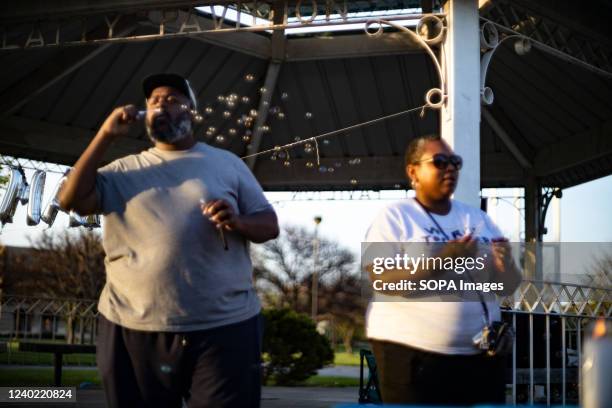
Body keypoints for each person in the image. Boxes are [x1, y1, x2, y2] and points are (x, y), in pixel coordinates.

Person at [58, 73, 279, 408]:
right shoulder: (122, 170)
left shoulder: (226, 163)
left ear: (191, 112)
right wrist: (105, 136)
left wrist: (238, 221)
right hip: (131, 325)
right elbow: (70, 199)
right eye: (154, 99)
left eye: (173, 98)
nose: (161, 102)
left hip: (225, 325)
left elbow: (269, 225)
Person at [363, 134, 521, 405]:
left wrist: (504, 265)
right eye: (440, 161)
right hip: (412, 355)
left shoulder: (477, 217)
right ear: (413, 171)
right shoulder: (395, 217)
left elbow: (507, 285)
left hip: (481, 356)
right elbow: (382, 279)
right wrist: (444, 258)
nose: (450, 168)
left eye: (455, 162)